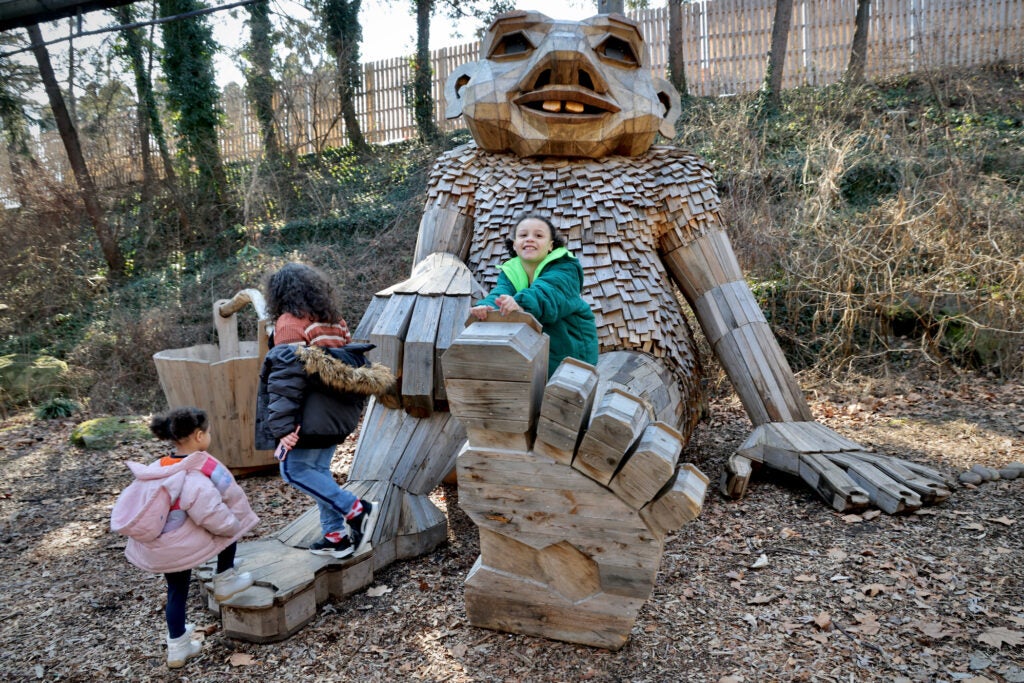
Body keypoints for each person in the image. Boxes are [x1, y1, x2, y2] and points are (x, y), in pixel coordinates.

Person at [255, 262, 393, 560]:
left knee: (293, 470)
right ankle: (336, 537)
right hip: (335, 416)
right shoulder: (336, 322)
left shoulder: (290, 323)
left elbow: (287, 380)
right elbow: (342, 367)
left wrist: (283, 428)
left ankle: (356, 510)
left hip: (307, 416)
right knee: (318, 472)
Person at [110, 407, 259, 669]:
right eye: (209, 432)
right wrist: (234, 524)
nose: (210, 436)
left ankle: (178, 649)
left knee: (176, 591)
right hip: (179, 545)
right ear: (199, 436)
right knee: (228, 528)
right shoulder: (194, 476)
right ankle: (225, 579)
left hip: (160, 546)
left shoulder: (158, 468)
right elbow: (212, 514)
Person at [470, 214, 599, 376]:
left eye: (538, 236)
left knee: (561, 390)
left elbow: (549, 291)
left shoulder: (566, 266)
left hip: (570, 348)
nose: (530, 239)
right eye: (523, 235)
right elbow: (500, 293)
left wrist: (521, 303)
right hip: (534, 349)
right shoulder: (511, 270)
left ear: (551, 246)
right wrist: (486, 307)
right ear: (515, 245)